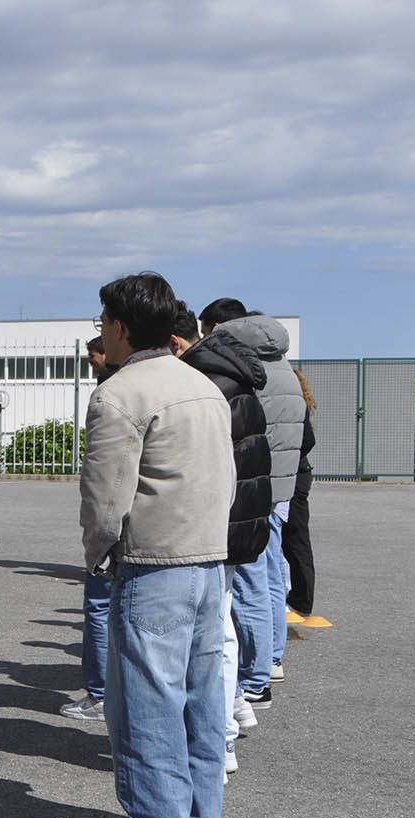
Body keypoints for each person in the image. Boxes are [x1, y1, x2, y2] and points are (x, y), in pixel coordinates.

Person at [81, 272, 234, 818]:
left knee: (146, 698)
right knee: (200, 696)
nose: (101, 335)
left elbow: (106, 494)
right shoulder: (202, 386)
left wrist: (97, 553)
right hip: (207, 558)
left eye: (102, 325)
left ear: (119, 328)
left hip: (152, 561)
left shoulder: (120, 393)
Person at [171, 301, 271, 775]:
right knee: (221, 626)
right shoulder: (235, 373)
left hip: (218, 518)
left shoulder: (205, 380)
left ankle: (221, 737)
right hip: (241, 511)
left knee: (214, 634)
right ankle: (233, 715)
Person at [201, 302, 305, 708]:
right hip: (278, 487)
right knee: (271, 579)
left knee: (249, 586)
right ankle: (270, 660)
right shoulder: (281, 365)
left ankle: (255, 678)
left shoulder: (246, 371)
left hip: (252, 489)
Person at [62, 337, 114, 722]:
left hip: (118, 529)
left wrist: (97, 538)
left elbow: (106, 473)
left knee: (100, 606)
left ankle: (100, 694)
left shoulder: (112, 392)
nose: (90, 360)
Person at [283, 371, 318, 621]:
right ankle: (299, 598)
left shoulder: (293, 403)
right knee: (295, 537)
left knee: (295, 537)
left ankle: (301, 600)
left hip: (295, 472)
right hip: (299, 471)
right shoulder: (298, 401)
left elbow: (308, 440)